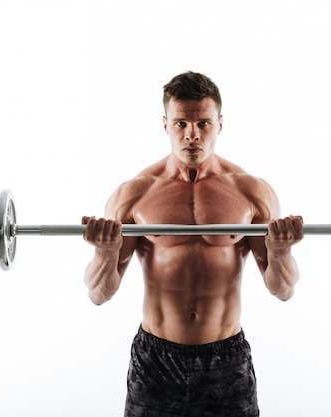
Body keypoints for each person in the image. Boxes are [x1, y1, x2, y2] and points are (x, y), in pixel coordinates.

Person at [82, 71, 303, 417]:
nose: (192, 135)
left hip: (226, 360)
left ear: (220, 123)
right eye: (181, 123)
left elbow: (284, 289)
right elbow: (99, 294)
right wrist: (105, 253)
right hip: (156, 360)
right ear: (165, 124)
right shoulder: (134, 194)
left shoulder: (252, 192)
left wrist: (280, 252)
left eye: (203, 123)